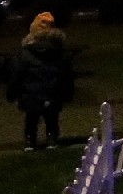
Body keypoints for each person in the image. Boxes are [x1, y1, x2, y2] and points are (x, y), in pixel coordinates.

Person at [5, 11, 74, 150]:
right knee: (51, 117)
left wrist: (11, 93)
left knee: (31, 118)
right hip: (53, 93)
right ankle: (51, 137)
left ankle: (30, 140)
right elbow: (66, 74)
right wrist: (67, 93)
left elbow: (18, 75)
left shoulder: (24, 54)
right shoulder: (59, 51)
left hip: (31, 94)